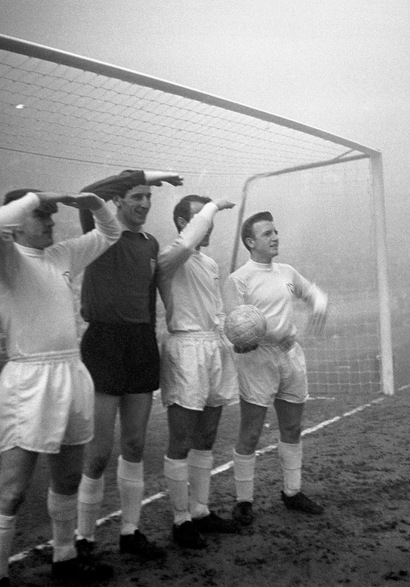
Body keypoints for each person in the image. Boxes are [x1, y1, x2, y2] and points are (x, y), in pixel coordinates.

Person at [0, 187, 122, 586]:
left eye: (51, 215)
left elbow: (109, 233)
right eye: (41, 215)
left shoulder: (60, 256)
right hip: (28, 381)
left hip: (70, 372)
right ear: (19, 223)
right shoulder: (7, 258)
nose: (50, 221)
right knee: (12, 490)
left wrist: (92, 202)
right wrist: (36, 195)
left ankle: (65, 558)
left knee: (67, 479)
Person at [76, 170, 182, 562]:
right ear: (118, 201)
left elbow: (154, 296)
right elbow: (88, 192)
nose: (144, 203)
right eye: (136, 196)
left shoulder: (151, 243)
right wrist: (147, 174)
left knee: (135, 444)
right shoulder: (101, 232)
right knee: (98, 452)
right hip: (103, 342)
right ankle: (84, 539)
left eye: (148, 197)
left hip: (139, 343)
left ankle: (130, 531)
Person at [223, 211, 328, 527]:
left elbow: (314, 293)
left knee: (293, 428)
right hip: (257, 360)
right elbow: (234, 324)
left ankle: (292, 492)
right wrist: (247, 337)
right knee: (252, 432)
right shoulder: (238, 279)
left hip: (290, 355)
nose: (275, 237)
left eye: (276, 231)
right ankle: (244, 501)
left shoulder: (287, 271)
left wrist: (319, 305)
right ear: (250, 241)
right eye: (267, 233)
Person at [157, 195, 240, 549]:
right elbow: (189, 240)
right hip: (185, 347)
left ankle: (201, 509)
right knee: (181, 439)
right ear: (182, 222)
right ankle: (180, 519)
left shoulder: (209, 263)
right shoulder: (169, 257)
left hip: (214, 347)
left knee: (207, 436)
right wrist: (213, 208)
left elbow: (216, 309)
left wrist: (233, 332)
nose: (209, 227)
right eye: (199, 219)